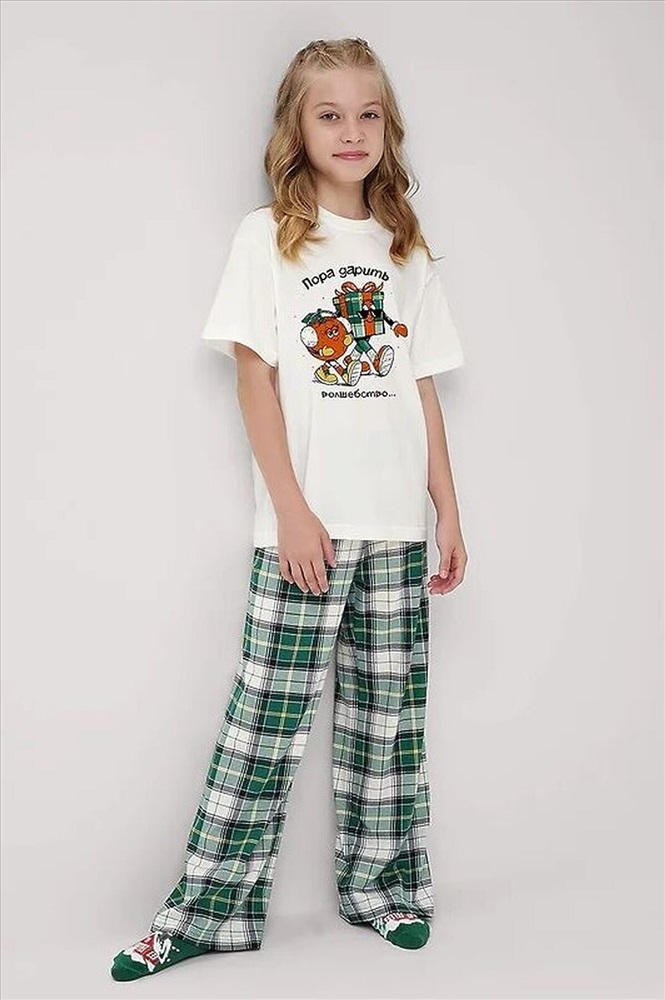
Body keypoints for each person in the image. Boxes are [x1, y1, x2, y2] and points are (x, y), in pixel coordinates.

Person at [110, 35, 468, 982]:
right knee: (263, 724)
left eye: (367, 114)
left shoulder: (403, 246)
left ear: (387, 128)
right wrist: (292, 511)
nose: (352, 131)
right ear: (296, 128)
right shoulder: (267, 235)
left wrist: (446, 507)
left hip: (394, 524)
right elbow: (253, 376)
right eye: (329, 114)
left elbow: (421, 385)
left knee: (386, 723)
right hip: (304, 525)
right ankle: (206, 912)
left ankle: (382, 891)